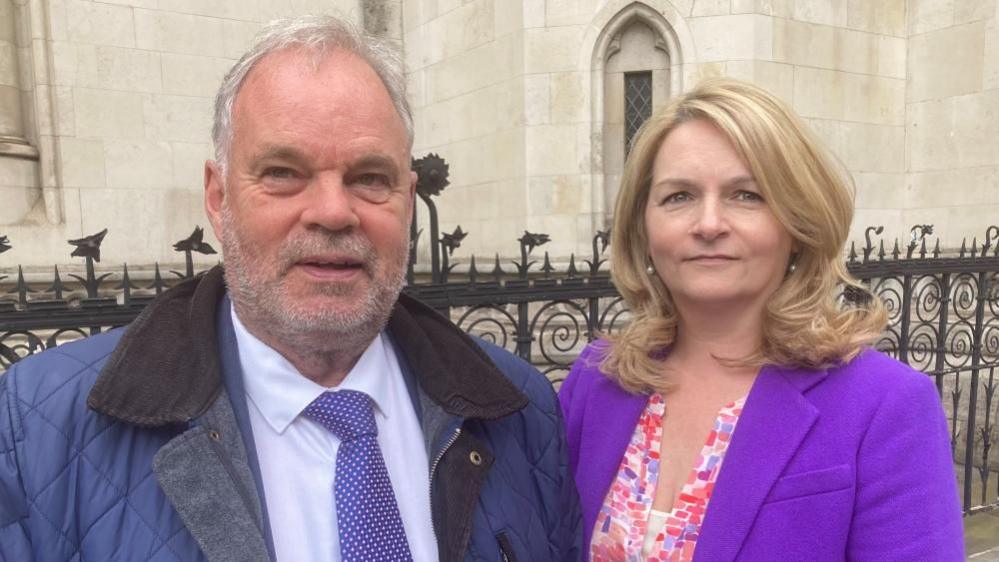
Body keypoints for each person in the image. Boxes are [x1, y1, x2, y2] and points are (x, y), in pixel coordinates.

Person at [0, 16, 580, 562]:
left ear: (407, 199)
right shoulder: (40, 428)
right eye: (282, 173)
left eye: (370, 178)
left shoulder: (521, 410)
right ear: (218, 196)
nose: (332, 212)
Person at [559, 78, 963, 561]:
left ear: (798, 224)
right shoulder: (597, 380)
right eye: (678, 196)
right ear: (643, 227)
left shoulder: (885, 406)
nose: (709, 224)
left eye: (746, 195)